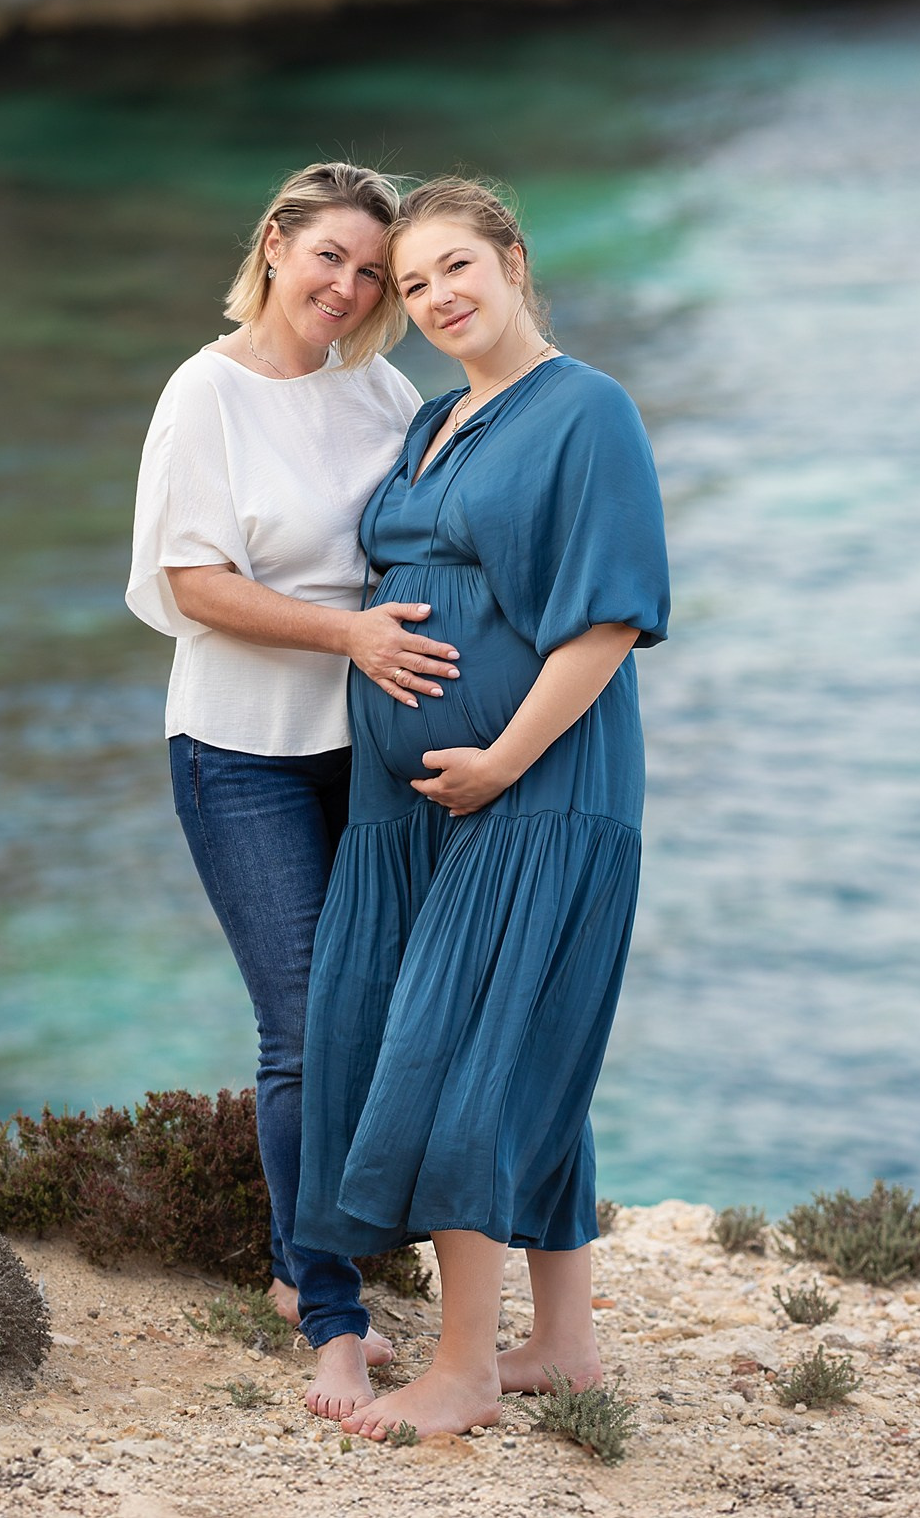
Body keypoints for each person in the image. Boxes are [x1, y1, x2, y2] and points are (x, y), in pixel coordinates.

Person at [296, 175, 671, 1440]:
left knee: (461, 1060)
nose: (436, 297)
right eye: (411, 285)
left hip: (536, 789)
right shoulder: (435, 419)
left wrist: (501, 761)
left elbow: (607, 618)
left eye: (455, 266)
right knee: (511, 1047)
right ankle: (562, 1345)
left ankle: (461, 1369)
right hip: (413, 811)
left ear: (512, 260)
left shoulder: (585, 410)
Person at [126, 161, 459, 1420]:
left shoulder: (381, 392)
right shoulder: (203, 393)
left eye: (372, 271)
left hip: (367, 751)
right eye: (329, 256)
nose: (350, 287)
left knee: (376, 1013)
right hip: (240, 753)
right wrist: (348, 637)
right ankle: (329, 1313)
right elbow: (192, 584)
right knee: (306, 1031)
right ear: (274, 243)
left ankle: (291, 1257)